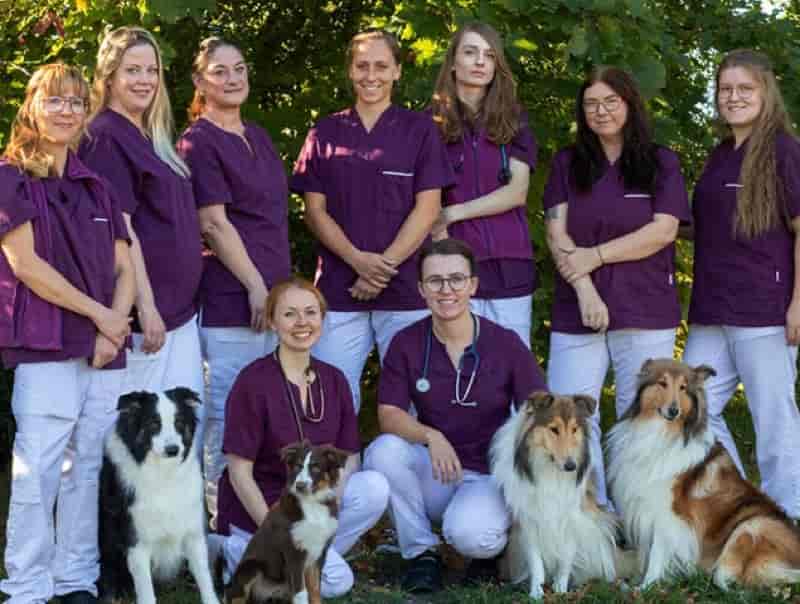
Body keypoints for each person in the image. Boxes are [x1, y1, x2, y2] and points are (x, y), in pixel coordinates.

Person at [0, 64, 135, 604]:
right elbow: (26, 265)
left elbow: (125, 267)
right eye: (55, 100)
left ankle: (74, 579)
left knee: (87, 468)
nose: (67, 111)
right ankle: (26, 587)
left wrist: (114, 326)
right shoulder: (10, 177)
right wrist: (102, 317)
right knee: (37, 472)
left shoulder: (96, 186)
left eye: (77, 103)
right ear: (31, 106)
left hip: (103, 350)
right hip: (47, 346)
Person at [543, 66, 690, 507]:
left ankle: (637, 517)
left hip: (645, 308)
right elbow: (556, 233)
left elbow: (663, 231)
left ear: (629, 104)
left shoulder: (661, 162)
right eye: (590, 103)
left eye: (610, 101)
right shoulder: (567, 163)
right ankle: (587, 516)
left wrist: (596, 255)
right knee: (568, 416)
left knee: (640, 418)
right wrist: (585, 288)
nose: (600, 111)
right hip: (577, 308)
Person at [363, 238, 546, 593]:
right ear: (421, 289)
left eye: (456, 279)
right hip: (437, 470)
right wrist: (431, 436)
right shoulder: (406, 342)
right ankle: (422, 553)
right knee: (382, 452)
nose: (446, 290)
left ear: (473, 285)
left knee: (473, 536)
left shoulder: (505, 343)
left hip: (488, 475)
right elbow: (389, 414)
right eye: (435, 281)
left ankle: (487, 548)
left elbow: (538, 411)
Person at [291, 29, 454, 412]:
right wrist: (358, 261)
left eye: (381, 66)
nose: (371, 75)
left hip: (406, 290)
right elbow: (314, 211)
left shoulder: (420, 131)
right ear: (350, 70)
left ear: (397, 71)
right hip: (339, 288)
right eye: (362, 66)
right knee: (327, 399)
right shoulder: (325, 132)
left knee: (417, 401)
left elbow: (428, 209)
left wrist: (381, 269)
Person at [213, 276, 389, 598]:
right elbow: (239, 473)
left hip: (313, 506)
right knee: (337, 583)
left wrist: (326, 505)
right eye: (289, 314)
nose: (302, 322)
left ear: (322, 318)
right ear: (272, 321)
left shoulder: (334, 380)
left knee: (374, 487)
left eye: (310, 312)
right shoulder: (253, 382)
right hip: (263, 510)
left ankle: (303, 561)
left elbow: (349, 458)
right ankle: (233, 551)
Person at [177, 37, 291, 527]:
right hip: (232, 299)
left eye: (239, 68)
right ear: (200, 82)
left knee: (267, 413)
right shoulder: (198, 141)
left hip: (274, 296)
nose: (233, 78)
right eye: (219, 71)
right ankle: (219, 525)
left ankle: (258, 520)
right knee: (227, 415)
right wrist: (254, 285)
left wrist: (275, 292)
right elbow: (213, 224)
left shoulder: (257, 136)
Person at [683, 49, 800, 519]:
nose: (733, 97)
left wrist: (798, 304)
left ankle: (788, 515)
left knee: (773, 417)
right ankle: (748, 503)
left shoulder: (784, 151)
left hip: (765, 307)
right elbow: (704, 226)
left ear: (765, 92)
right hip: (712, 307)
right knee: (692, 410)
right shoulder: (719, 155)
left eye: (744, 88)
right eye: (725, 89)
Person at [79, 26, 204, 400]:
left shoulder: (150, 134)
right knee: (136, 430)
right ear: (109, 76)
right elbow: (120, 231)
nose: (145, 80)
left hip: (179, 313)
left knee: (183, 427)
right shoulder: (105, 136)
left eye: (152, 70)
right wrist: (145, 305)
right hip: (145, 322)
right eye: (132, 70)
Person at [430, 22, 537, 347]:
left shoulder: (514, 120)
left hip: (509, 263)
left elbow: (517, 192)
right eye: (470, 52)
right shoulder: (426, 124)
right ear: (453, 62)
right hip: (453, 263)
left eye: (489, 55)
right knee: (455, 360)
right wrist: (442, 245)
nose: (480, 62)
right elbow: (423, 197)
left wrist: (454, 212)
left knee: (511, 361)